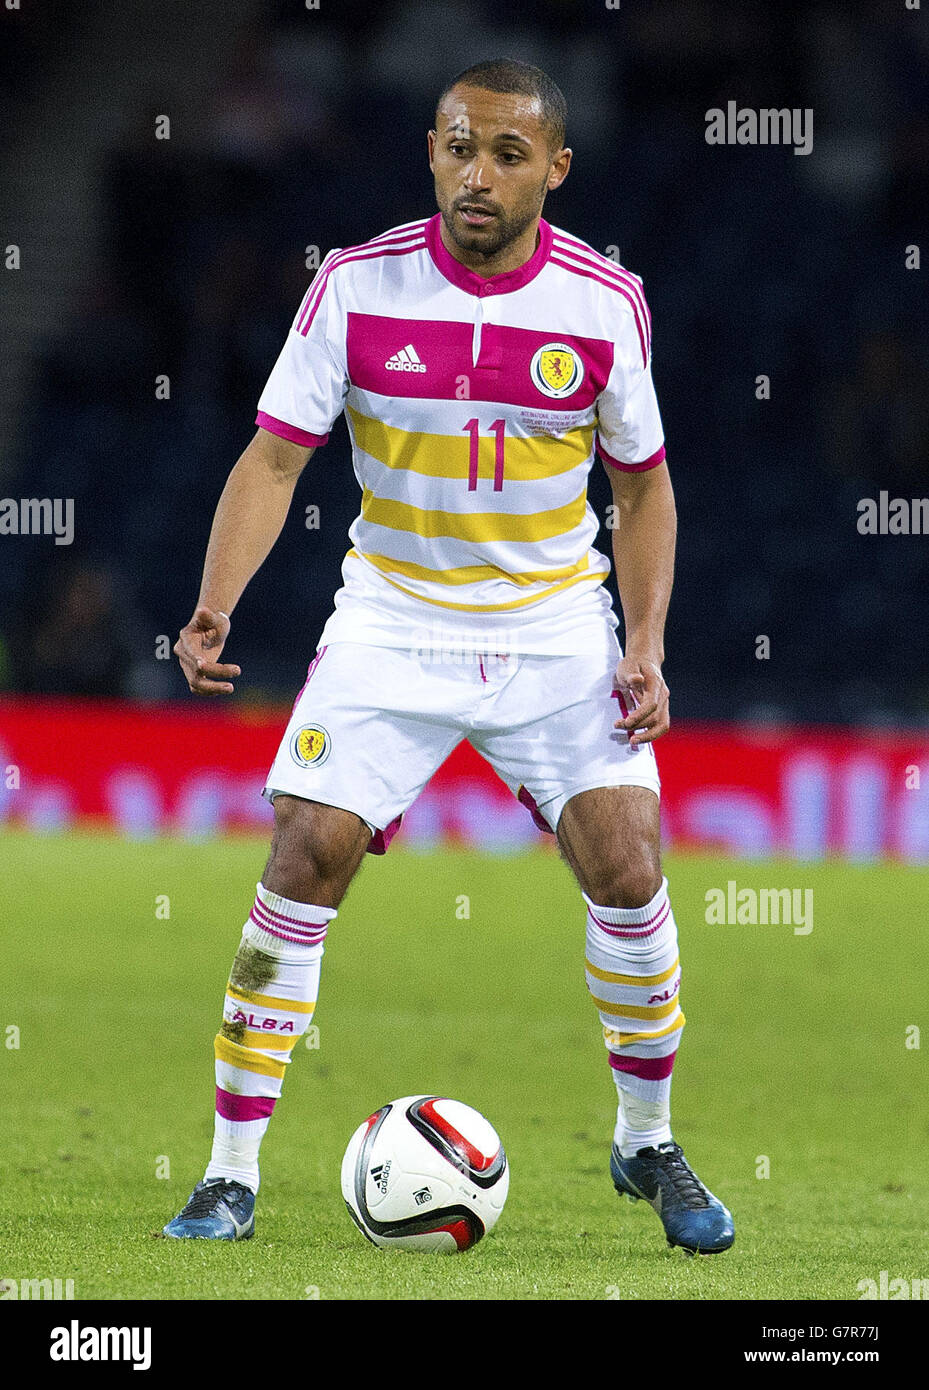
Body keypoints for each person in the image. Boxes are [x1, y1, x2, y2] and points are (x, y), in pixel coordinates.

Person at [166, 58, 733, 1255]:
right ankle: (227, 1175)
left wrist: (643, 645)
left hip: (551, 623)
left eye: (507, 154)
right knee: (302, 854)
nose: (477, 174)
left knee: (629, 867)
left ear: (555, 170)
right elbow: (273, 461)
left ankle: (644, 1137)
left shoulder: (600, 303)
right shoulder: (354, 288)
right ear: (430, 148)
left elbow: (643, 490)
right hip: (393, 614)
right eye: (457, 146)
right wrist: (216, 601)